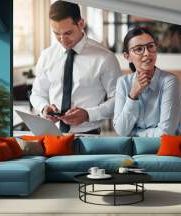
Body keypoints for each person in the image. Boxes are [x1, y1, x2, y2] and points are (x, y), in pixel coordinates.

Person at [30, 1, 121, 134]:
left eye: (68, 33)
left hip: (88, 136)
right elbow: (37, 94)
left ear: (81, 24)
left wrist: (88, 114)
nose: (63, 40)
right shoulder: (47, 55)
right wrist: (44, 108)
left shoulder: (105, 58)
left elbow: (118, 100)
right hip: (51, 135)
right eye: (56, 33)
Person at [113, 27, 181, 137]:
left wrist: (134, 133)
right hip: (133, 152)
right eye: (139, 49)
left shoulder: (169, 81)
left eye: (150, 46)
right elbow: (121, 130)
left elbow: (165, 133)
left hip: (164, 152)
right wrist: (133, 95)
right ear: (127, 56)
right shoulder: (123, 83)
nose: (147, 53)